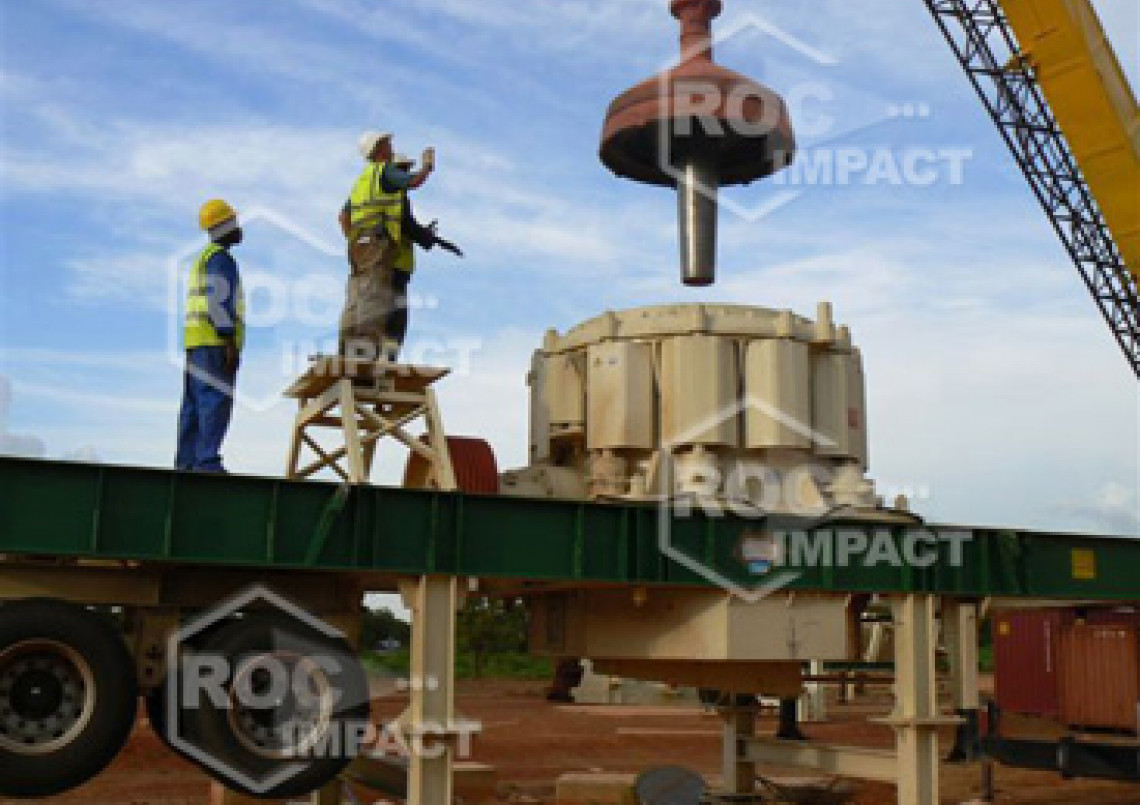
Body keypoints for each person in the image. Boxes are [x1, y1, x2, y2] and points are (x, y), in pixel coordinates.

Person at [338, 131, 434, 362]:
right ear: (380, 148)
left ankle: (349, 352)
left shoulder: (364, 179)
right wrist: (427, 167)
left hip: (359, 245)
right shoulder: (385, 173)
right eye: (389, 144)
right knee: (377, 300)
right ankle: (366, 357)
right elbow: (415, 183)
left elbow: (343, 216)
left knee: (357, 298)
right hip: (379, 247)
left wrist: (356, 239)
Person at [175, 199, 244, 473]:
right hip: (214, 341)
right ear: (223, 226)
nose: (239, 228)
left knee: (193, 406)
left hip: (196, 342)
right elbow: (219, 299)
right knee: (214, 400)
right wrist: (228, 339)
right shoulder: (220, 259)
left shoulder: (203, 258)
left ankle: (187, 463)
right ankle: (206, 462)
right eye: (234, 222)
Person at [387, 154, 464, 352]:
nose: (405, 173)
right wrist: (428, 238)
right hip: (393, 267)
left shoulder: (385, 197)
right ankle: (386, 359)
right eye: (402, 169)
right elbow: (407, 225)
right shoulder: (396, 196)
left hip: (380, 265)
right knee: (394, 319)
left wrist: (428, 236)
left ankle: (380, 357)